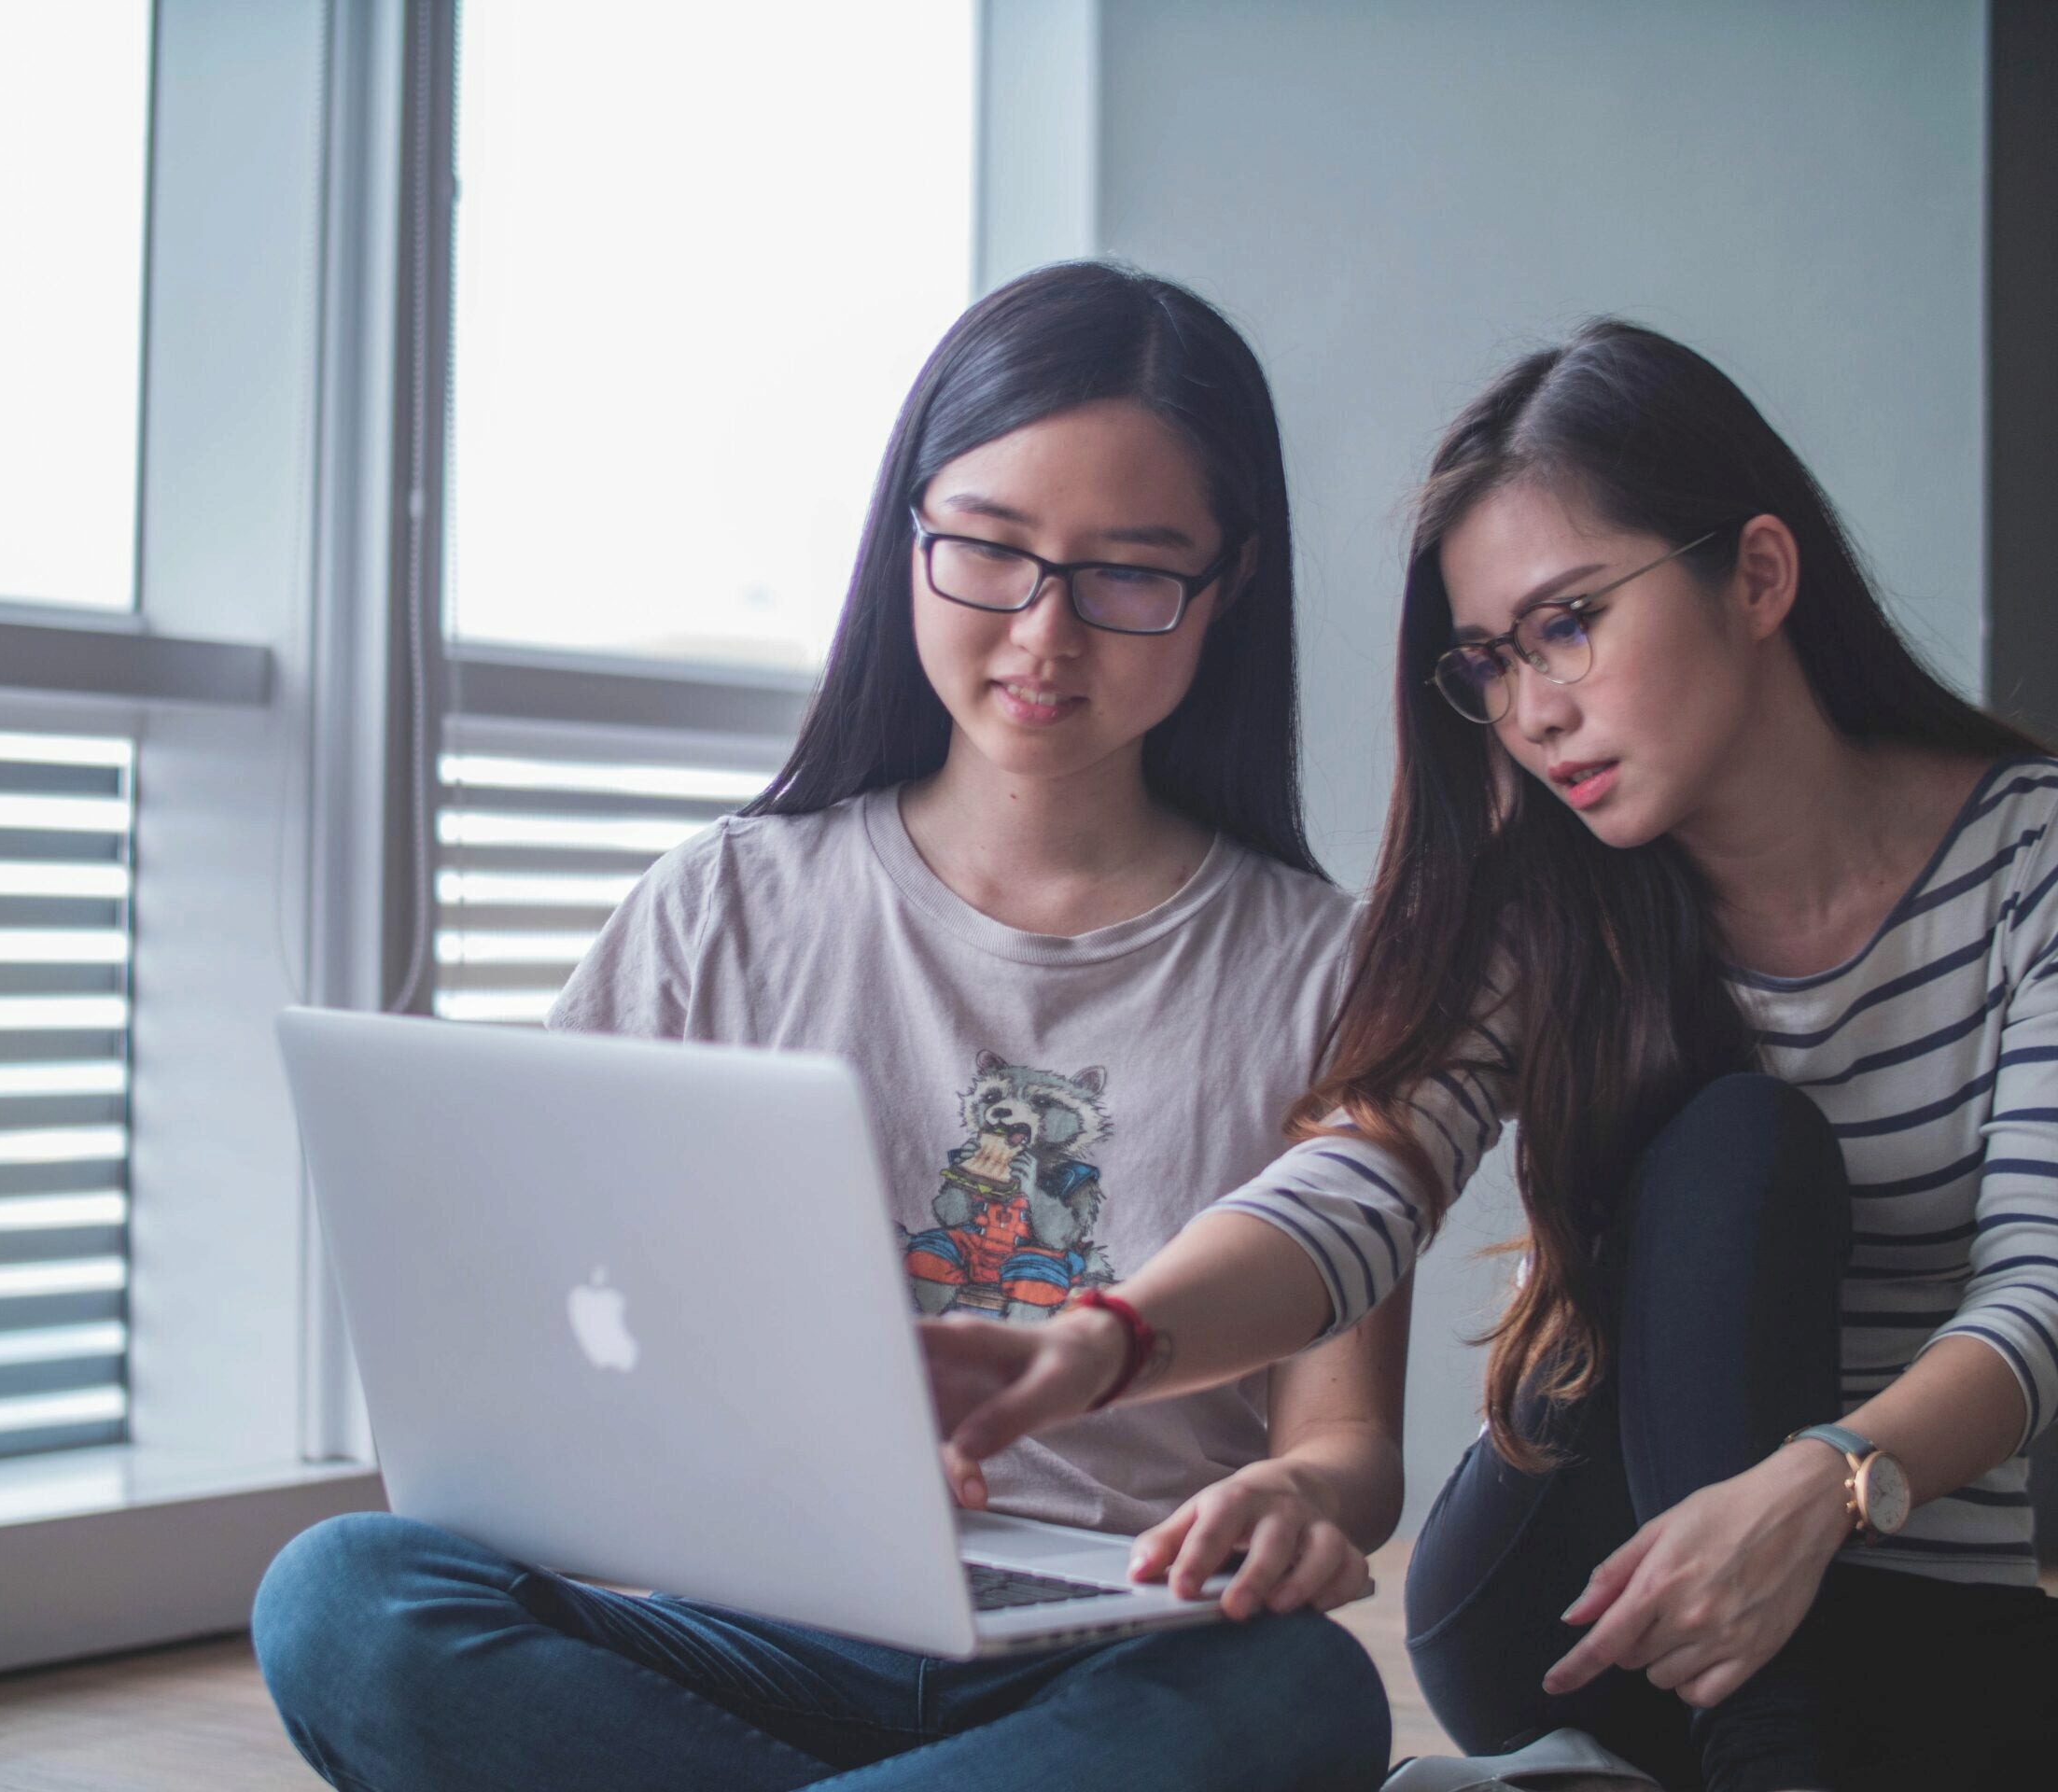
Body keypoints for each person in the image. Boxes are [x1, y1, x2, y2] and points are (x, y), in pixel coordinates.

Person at [249, 260, 1403, 1792]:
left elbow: (1346, 1445)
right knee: (343, 1594)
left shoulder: (1333, 971)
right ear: (907, 535)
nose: (1046, 635)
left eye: (1130, 573)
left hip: (1120, 1643)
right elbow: (546, 1336)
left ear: (1230, 584)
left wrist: (1306, 1502)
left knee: (1302, 1696)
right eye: (991, 552)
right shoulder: (720, 907)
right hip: (763, 1626)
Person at [924, 319, 2058, 1792]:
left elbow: (2043, 1281)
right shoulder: (1552, 897)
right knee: (1741, 1142)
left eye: (1571, 622)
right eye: (1489, 664)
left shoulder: (2031, 859)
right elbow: (1358, 1182)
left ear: (1760, 575)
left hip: (1913, 1597)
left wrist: (1825, 1485)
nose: (1531, 713)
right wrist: (1104, 1341)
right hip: (1581, 1598)